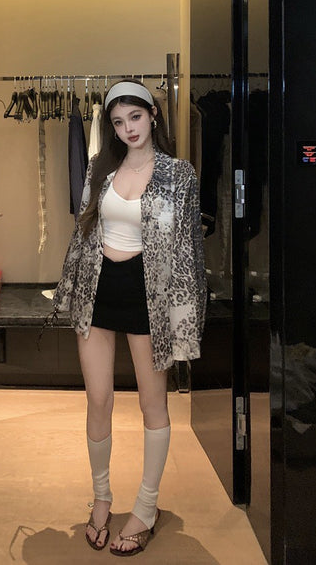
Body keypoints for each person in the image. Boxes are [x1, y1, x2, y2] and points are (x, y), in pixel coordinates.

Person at [52, 79, 206, 556]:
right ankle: (101, 499)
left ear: (152, 115)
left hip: (149, 298)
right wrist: (67, 290)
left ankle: (146, 507)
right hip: (99, 291)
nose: (128, 129)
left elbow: (188, 252)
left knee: (151, 404)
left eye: (135, 117)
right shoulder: (101, 168)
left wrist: (186, 320)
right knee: (98, 399)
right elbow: (83, 235)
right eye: (118, 122)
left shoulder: (179, 174)